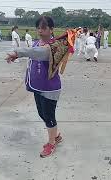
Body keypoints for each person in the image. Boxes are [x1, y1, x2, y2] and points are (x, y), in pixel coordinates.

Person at [5, 16, 77, 157]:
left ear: (51, 29)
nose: (40, 30)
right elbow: (34, 53)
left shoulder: (55, 46)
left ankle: (51, 143)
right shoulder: (38, 42)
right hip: (38, 86)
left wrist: (17, 53)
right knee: (42, 114)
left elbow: (39, 53)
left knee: (49, 116)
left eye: (43, 28)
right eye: (38, 27)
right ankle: (55, 135)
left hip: (50, 88)